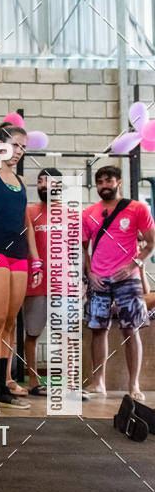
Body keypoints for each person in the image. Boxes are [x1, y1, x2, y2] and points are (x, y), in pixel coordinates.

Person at [0, 123, 43, 414]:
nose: (19, 152)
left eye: (24, 147)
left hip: (19, 254)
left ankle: (3, 388)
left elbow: (26, 222)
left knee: (11, 323)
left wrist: (34, 257)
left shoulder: (22, 181)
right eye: (15, 145)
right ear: (0, 144)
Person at [83, 165, 155, 400]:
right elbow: (83, 249)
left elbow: (151, 242)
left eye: (109, 180)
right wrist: (90, 273)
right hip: (99, 279)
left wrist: (134, 264)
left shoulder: (137, 208)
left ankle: (133, 385)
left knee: (131, 329)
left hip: (128, 279)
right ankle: (98, 383)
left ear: (119, 182)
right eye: (101, 182)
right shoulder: (89, 213)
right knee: (97, 330)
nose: (105, 185)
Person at [23, 167, 63, 396]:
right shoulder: (29, 211)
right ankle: (32, 380)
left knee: (65, 334)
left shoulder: (72, 214)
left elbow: (80, 249)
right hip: (35, 283)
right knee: (33, 333)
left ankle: (70, 383)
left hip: (63, 284)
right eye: (40, 182)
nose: (43, 186)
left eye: (48, 182)